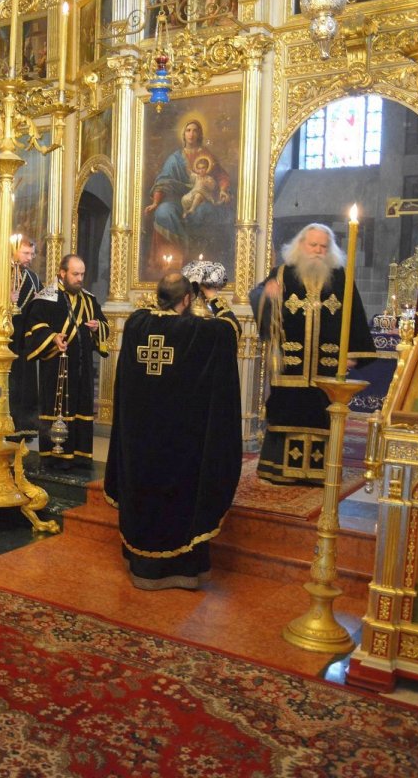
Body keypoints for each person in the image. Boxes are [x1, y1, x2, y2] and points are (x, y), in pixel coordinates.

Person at [105, 272, 241, 590]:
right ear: (186, 300)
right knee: (177, 502)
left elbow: (149, 308)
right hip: (177, 444)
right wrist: (214, 298)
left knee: (144, 496)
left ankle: (140, 564)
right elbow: (231, 329)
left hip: (140, 440)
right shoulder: (196, 331)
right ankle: (177, 571)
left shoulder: (136, 324)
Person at [251, 223, 376, 485]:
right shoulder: (282, 273)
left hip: (326, 367)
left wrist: (352, 353)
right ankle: (281, 470)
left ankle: (320, 472)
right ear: (301, 246)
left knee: (322, 414)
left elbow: (355, 317)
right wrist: (267, 295)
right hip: (291, 367)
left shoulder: (341, 276)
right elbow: (258, 295)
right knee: (287, 412)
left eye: (324, 246)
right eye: (313, 245)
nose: (318, 251)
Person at [24, 255, 109, 469]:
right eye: (75, 274)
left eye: (82, 274)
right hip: (56, 366)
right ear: (62, 273)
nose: (80, 278)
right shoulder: (46, 298)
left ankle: (80, 455)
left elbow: (104, 323)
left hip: (82, 368)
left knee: (81, 405)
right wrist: (52, 337)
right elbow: (33, 326)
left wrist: (98, 326)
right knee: (56, 407)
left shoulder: (88, 300)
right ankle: (54, 456)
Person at [144, 118, 232, 274]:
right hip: (178, 200)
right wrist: (156, 203)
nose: (191, 134)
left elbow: (221, 176)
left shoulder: (207, 156)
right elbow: (163, 181)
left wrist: (223, 190)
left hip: (202, 198)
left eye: (195, 130)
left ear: (200, 134)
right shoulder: (175, 158)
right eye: (188, 130)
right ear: (183, 135)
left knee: (203, 212)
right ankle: (175, 256)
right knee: (164, 212)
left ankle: (200, 259)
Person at [0, 236, 44, 437]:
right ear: (14, 251)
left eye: (32, 254)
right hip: (4, 339)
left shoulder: (33, 278)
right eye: (26, 253)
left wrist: (40, 300)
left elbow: (40, 305)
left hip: (25, 340)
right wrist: (4, 299)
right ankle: (3, 422)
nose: (30, 258)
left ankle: (25, 425)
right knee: (7, 381)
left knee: (25, 381)